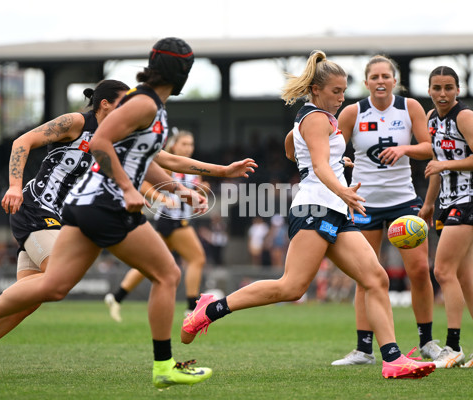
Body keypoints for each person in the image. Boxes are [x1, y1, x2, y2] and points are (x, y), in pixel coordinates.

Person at [0, 37, 257, 389]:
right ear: (180, 72)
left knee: (48, 289)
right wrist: (126, 188)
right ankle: (163, 365)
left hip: (77, 206)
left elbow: (158, 160)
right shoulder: (134, 107)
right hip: (66, 205)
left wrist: (197, 181)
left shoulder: (148, 107)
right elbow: (93, 144)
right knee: (165, 273)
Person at [180, 50, 435, 379]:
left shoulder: (315, 119)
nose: (341, 98)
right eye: (335, 91)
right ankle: (210, 309)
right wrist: (340, 186)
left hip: (335, 211)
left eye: (344, 91)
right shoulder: (315, 118)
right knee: (291, 287)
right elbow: (315, 165)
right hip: (316, 208)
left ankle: (392, 359)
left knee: (375, 278)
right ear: (316, 89)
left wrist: (331, 163)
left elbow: (293, 149)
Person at [0, 79, 130, 379]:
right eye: (125, 104)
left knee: (29, 300)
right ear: (105, 104)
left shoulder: (113, 137)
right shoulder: (76, 121)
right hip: (35, 207)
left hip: (56, 218)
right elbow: (22, 142)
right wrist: (14, 186)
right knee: (56, 279)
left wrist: (219, 171)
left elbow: (160, 160)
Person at [330, 55, 441, 366]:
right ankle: (363, 349)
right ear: (366, 83)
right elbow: (329, 147)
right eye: (374, 77)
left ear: (395, 81)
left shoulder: (410, 108)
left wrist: (405, 148)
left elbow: (429, 147)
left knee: (419, 271)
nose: (380, 81)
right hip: (364, 203)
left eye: (385, 76)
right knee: (367, 276)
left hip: (404, 201)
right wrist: (342, 163)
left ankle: (427, 342)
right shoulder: (353, 112)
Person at [418, 66, 473, 368]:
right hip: (448, 201)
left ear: (458, 90)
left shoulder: (464, 117)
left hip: (472, 198)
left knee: (443, 271)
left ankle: (452, 346)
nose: (442, 94)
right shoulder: (431, 119)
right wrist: (428, 204)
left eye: (449, 87)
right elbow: (435, 164)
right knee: (464, 275)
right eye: (437, 88)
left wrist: (445, 166)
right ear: (428, 90)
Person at [104, 130, 209, 322]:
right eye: (184, 144)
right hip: (173, 220)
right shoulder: (169, 165)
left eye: (191, 144)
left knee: (151, 263)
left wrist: (202, 190)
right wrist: (161, 198)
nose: (188, 148)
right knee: (197, 259)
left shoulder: (189, 167)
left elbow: (189, 192)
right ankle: (191, 307)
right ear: (174, 146)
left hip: (171, 220)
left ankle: (117, 296)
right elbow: (143, 183)